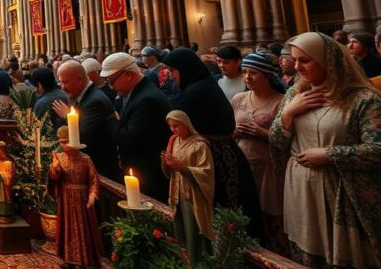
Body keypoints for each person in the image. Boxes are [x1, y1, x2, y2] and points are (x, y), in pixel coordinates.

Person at [270, 32, 381, 268]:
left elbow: (378, 149)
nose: (296, 66)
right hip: (300, 190)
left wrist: (329, 154)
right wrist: (289, 113)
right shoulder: (294, 94)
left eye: (304, 60)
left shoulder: (362, 99)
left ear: (327, 60)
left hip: (342, 194)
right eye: (294, 59)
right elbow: (277, 142)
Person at [161, 48, 262, 236]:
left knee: (222, 218)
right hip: (226, 153)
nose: (170, 76)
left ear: (184, 69)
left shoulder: (194, 93)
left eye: (173, 71)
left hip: (216, 160)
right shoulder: (205, 85)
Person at [231, 52, 286, 254]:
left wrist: (263, 133)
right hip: (243, 165)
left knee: (272, 216)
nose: (247, 77)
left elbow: (289, 137)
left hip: (269, 168)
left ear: (268, 75)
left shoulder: (281, 100)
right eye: (244, 72)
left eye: (253, 72)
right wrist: (234, 132)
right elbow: (228, 129)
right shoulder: (239, 98)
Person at [100, 52, 170, 202]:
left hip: (148, 174)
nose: (111, 87)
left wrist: (112, 122)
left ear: (128, 75)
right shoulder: (138, 93)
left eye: (112, 81)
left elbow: (130, 139)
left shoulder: (147, 99)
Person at [51, 61, 120, 180]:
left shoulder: (94, 101)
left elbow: (83, 138)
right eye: (60, 82)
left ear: (80, 79)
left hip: (100, 169)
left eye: (65, 82)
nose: (62, 87)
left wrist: (67, 116)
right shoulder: (77, 94)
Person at [161, 110, 215, 262]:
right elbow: (170, 172)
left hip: (191, 196)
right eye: (171, 126)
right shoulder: (174, 141)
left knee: (193, 230)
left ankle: (196, 261)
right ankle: (183, 261)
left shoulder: (200, 145)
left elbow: (206, 173)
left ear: (186, 125)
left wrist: (183, 168)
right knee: (179, 230)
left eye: (176, 126)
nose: (173, 130)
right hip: (176, 193)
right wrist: (166, 164)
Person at [48, 126, 102, 269]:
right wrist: (54, 167)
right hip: (66, 199)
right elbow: (55, 177)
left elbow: (94, 179)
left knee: (82, 228)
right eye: (60, 142)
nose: (62, 145)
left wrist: (92, 194)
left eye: (65, 142)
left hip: (82, 199)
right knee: (67, 227)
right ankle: (68, 258)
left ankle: (83, 260)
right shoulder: (59, 157)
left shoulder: (85, 159)